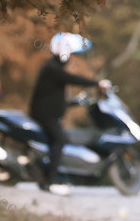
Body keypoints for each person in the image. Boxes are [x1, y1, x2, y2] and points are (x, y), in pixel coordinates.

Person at [29, 32, 111, 194]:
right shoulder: (53, 69)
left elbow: (52, 94)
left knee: (57, 140)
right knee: (59, 140)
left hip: (48, 113)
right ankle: (50, 181)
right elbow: (73, 79)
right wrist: (97, 83)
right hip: (45, 115)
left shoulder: (52, 68)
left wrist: (70, 103)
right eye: (71, 53)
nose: (72, 57)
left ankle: (48, 177)